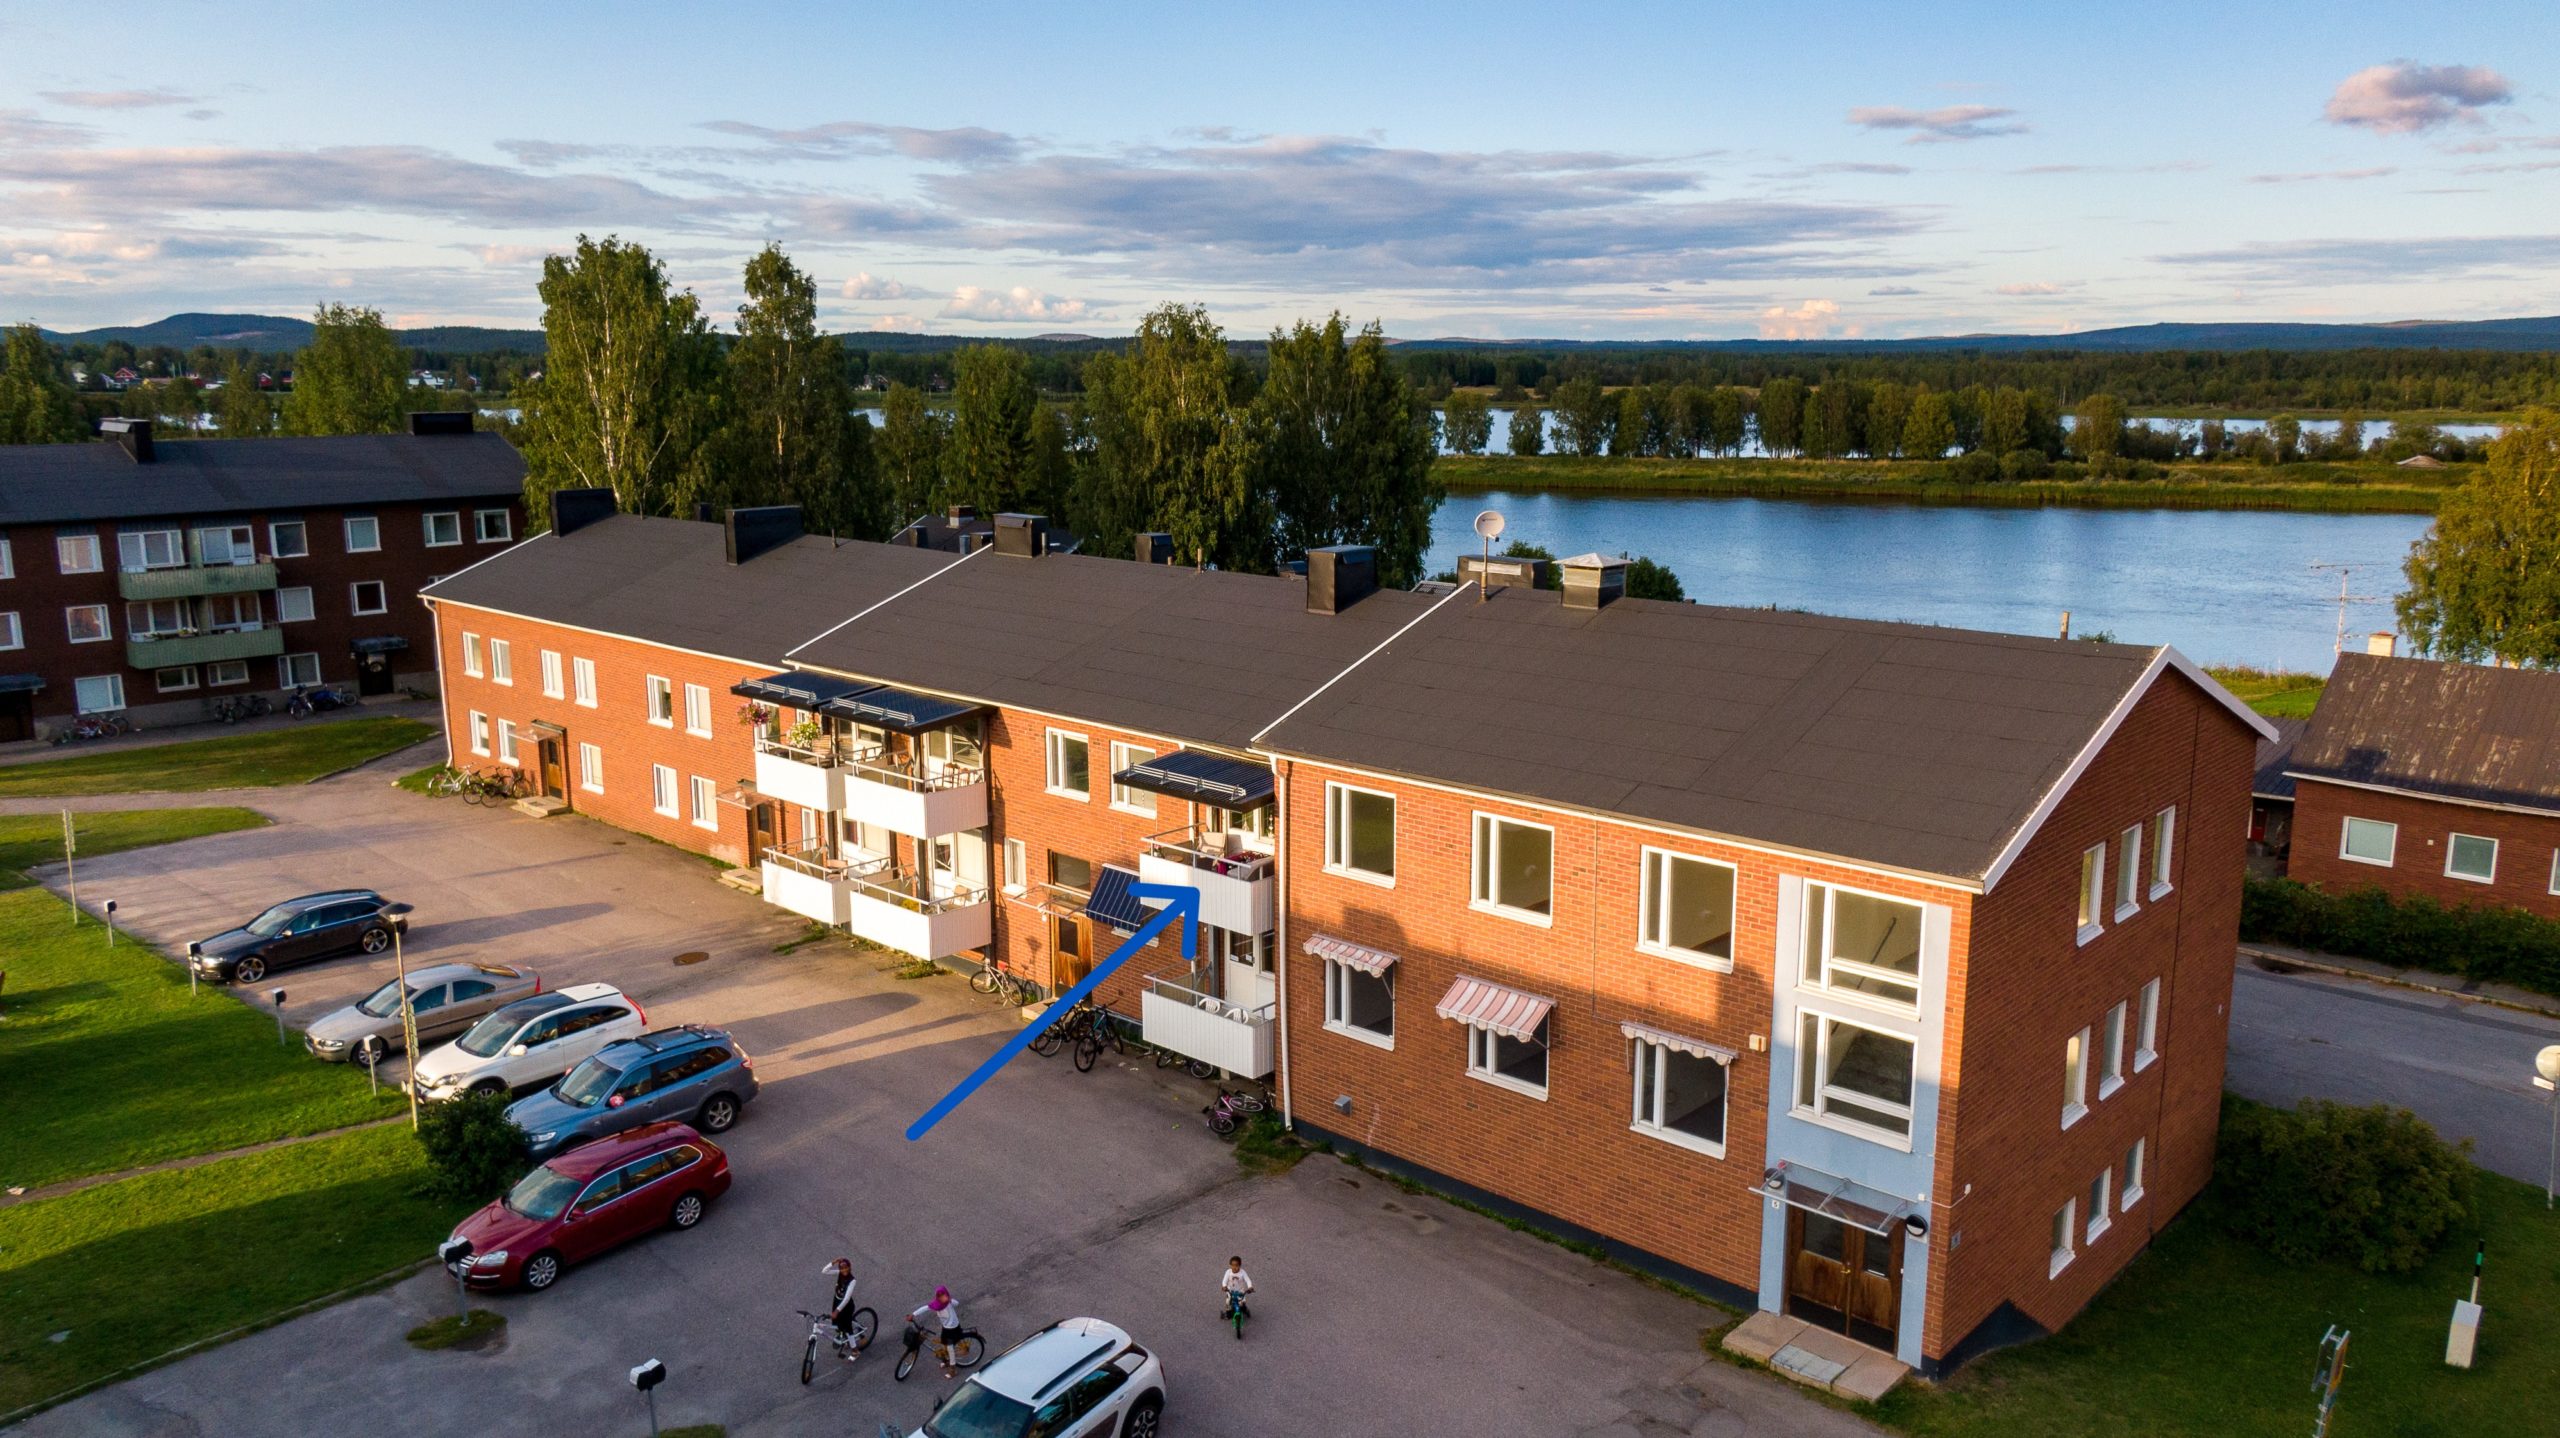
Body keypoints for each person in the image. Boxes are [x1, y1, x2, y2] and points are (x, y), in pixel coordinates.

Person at [910, 1286, 962, 1378]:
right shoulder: (936, 1304)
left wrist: (949, 1300)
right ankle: (946, 1360)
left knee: (950, 1347)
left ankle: (953, 1369)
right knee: (944, 1343)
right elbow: (925, 1308)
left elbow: (957, 1303)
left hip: (953, 1328)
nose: (941, 1297)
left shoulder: (949, 1303)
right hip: (945, 1328)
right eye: (939, 1295)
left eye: (943, 1295)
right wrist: (913, 1314)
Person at [823, 1258, 862, 1353]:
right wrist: (834, 1262)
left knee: (848, 1329)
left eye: (846, 1267)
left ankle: (855, 1351)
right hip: (837, 1301)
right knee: (836, 1322)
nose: (844, 1270)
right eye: (841, 1268)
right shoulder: (839, 1273)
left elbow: (847, 1298)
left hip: (846, 1306)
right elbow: (824, 1271)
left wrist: (837, 1311)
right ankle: (842, 1334)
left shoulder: (852, 1280)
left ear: (849, 1267)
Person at [1218, 1255, 1253, 1320]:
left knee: (1242, 1303)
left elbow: (1248, 1280)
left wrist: (1250, 1287)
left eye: (1236, 1265)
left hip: (1240, 1291)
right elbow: (1224, 1280)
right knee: (1228, 1302)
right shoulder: (1228, 1272)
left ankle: (1245, 1310)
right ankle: (1228, 1314)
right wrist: (1224, 1286)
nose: (1234, 1267)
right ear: (1230, 1265)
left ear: (1240, 1265)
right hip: (1230, 1291)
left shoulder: (1242, 1273)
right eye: (1233, 1265)